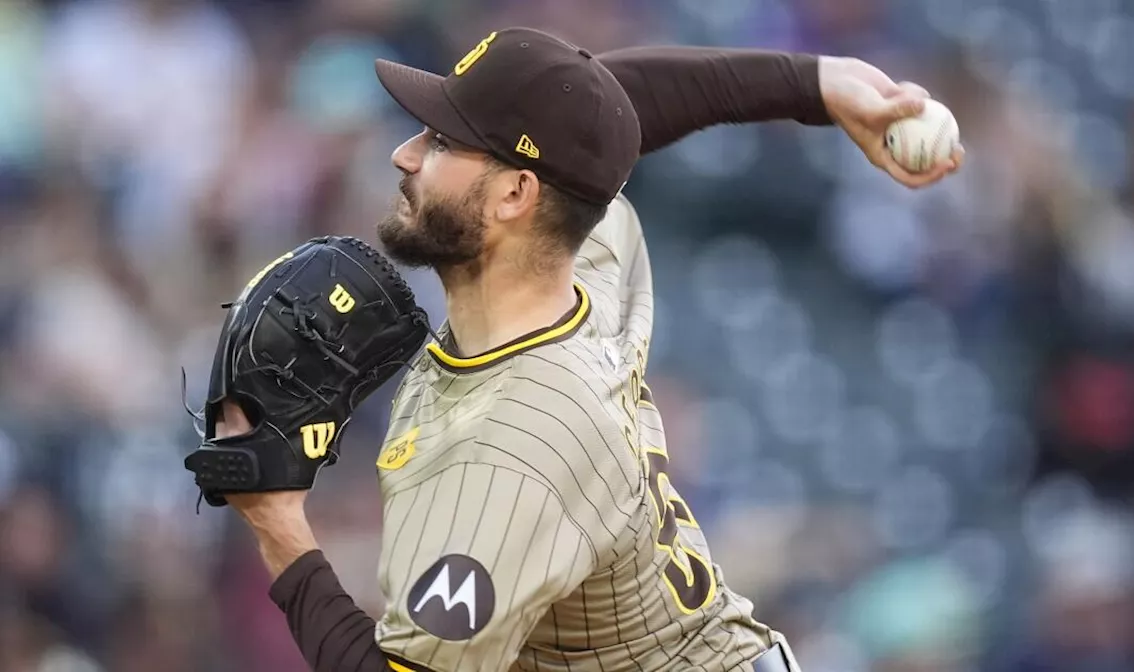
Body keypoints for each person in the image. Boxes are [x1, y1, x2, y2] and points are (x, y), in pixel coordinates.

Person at [213, 26, 962, 672]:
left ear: (514, 195)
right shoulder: (578, 257)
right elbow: (606, 108)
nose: (405, 155)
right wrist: (816, 83)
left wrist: (277, 522)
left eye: (441, 141)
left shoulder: (509, 449)